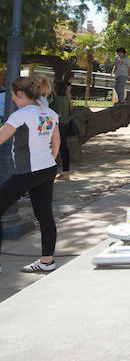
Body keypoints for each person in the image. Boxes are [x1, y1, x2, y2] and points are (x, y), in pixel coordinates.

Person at [0, 76, 60, 273]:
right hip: (47, 169)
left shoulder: (22, 114)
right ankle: (47, 261)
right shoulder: (50, 113)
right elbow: (56, 142)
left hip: (27, 172)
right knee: (45, 216)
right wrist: (48, 160)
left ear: (19, 94)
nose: (13, 99)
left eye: (12, 96)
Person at [49, 81, 73, 180]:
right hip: (64, 125)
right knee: (63, 148)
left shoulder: (57, 100)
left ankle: (53, 171)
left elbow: (57, 114)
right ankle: (66, 171)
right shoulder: (64, 99)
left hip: (59, 126)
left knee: (57, 148)